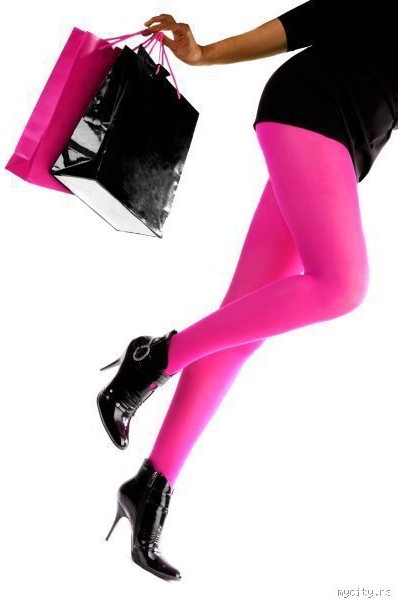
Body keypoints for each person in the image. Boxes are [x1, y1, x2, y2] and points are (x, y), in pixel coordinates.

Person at [98, 2, 398, 581]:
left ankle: (150, 486)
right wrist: (204, 54)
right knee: (343, 284)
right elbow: (307, 23)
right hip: (312, 112)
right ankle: (154, 358)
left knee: (241, 327)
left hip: (341, 145)